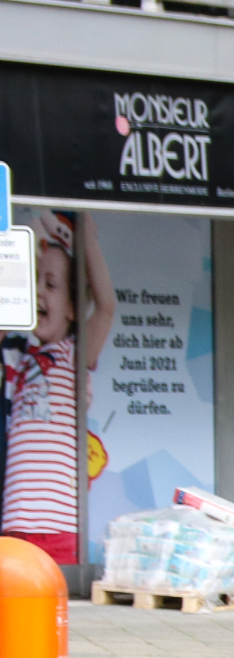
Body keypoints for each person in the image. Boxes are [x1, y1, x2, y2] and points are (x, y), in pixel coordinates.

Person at [1, 210, 111, 567]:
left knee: (61, 612)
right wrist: (26, 236)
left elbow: (107, 306)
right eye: (33, 282)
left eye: (50, 284)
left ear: (73, 309)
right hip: (16, 521)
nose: (38, 292)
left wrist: (88, 240)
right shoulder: (17, 354)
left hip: (62, 521)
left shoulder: (76, 355)